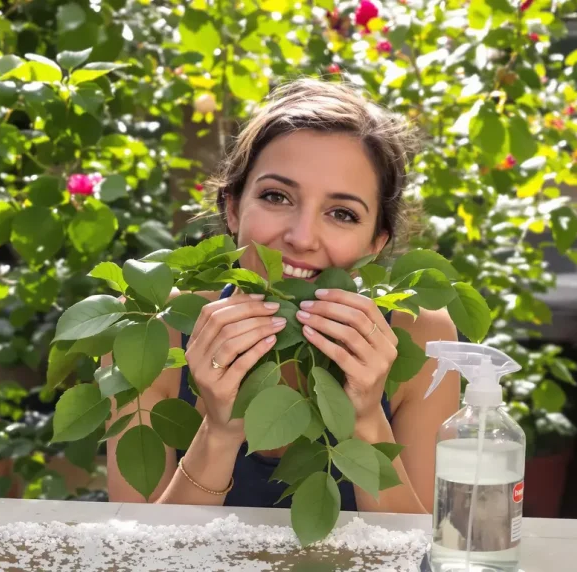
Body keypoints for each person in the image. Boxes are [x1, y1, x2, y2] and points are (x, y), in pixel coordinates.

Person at [102, 78, 460, 515]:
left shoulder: (424, 338)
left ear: (375, 243)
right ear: (233, 208)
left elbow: (424, 558)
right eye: (277, 196)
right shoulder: (150, 335)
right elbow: (141, 559)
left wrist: (366, 421)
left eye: (342, 213)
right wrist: (219, 432)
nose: (301, 237)